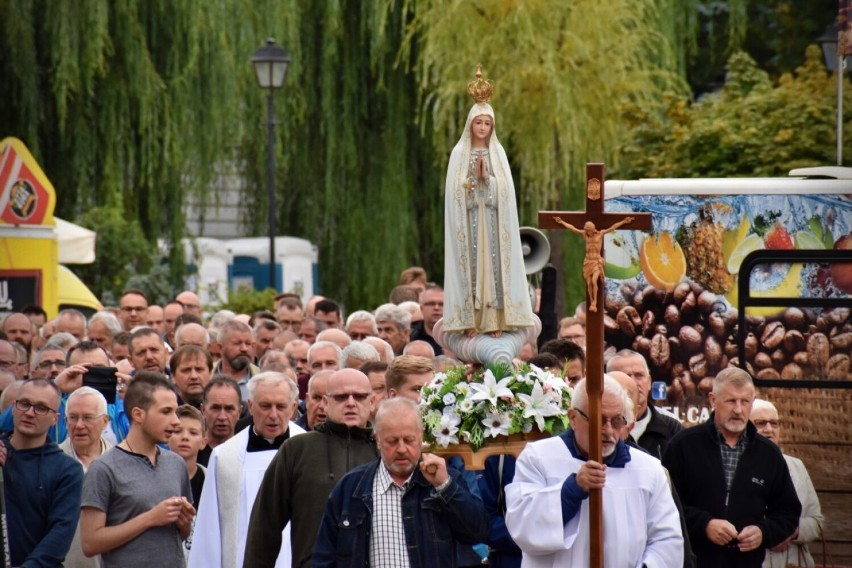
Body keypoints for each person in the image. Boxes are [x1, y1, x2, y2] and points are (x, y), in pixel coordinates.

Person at [505, 376, 684, 567]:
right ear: (573, 418)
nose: (607, 430)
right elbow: (522, 527)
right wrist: (572, 490)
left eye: (617, 421)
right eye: (598, 419)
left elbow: (667, 540)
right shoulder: (538, 457)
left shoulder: (648, 469)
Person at [313, 397, 489, 567]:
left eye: (409, 440)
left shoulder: (444, 480)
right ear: (378, 440)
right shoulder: (351, 487)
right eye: (392, 441)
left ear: (421, 437)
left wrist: (445, 486)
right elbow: (324, 557)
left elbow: (476, 533)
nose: (402, 449)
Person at [662, 368, 801, 568]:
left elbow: (788, 511)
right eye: (731, 401)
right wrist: (704, 525)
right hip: (690, 562)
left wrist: (763, 532)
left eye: (745, 402)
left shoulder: (769, 453)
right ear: (712, 400)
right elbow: (664, 504)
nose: (738, 409)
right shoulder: (683, 445)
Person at [243, 369, 379, 568]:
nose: (351, 403)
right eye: (341, 397)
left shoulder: (384, 449)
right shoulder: (297, 449)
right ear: (325, 402)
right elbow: (264, 528)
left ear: (372, 401)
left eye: (359, 396)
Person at [442, 68, 534, 336]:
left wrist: (489, 182)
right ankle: (471, 320)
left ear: (492, 126)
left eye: (487, 124)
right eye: (478, 123)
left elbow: (506, 191)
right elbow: (454, 194)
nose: (482, 128)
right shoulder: (459, 153)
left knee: (493, 264)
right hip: (470, 219)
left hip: (492, 219)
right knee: (472, 264)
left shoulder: (498, 152)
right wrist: (471, 185)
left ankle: (496, 320)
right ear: (470, 124)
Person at [80, 372, 195, 567]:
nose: (176, 421)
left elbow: (180, 536)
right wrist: (150, 518)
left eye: (175, 412)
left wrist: (184, 525)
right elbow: (90, 543)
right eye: (166, 411)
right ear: (138, 414)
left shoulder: (176, 464)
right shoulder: (104, 468)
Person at [190, 372, 304, 568]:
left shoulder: (307, 451)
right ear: (251, 406)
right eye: (265, 406)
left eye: (281, 406)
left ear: (293, 408)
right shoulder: (225, 456)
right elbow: (209, 529)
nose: (273, 415)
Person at [1, 379, 84, 567]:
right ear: (13, 408)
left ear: (55, 419)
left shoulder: (67, 470)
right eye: (24, 404)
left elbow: (59, 535)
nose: (30, 413)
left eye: (41, 408)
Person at [751, 399, 823, 568]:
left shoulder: (796, 466)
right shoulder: (737, 468)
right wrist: (769, 534)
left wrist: (790, 532)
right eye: (760, 423)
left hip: (794, 562)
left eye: (774, 423)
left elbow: (817, 522)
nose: (769, 429)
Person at [61, 387, 114, 568]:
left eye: (88, 417)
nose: (79, 425)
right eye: (73, 418)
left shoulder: (121, 462)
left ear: (105, 422)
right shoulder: (53, 461)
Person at [607, 349, 682, 458]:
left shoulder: (672, 427)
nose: (634, 383)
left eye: (639, 375)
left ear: (649, 382)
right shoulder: (598, 428)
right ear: (609, 383)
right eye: (626, 376)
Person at [551, 217, 634, 311]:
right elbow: (573, 229)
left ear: (592, 229)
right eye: (586, 231)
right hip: (588, 261)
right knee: (589, 282)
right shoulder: (585, 235)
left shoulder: (600, 234)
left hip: (596, 261)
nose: (587, 232)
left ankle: (595, 302)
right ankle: (592, 302)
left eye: (588, 230)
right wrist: (562, 222)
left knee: (594, 281)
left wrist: (623, 221)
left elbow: (612, 227)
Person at [197, 376, 243, 466]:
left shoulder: (249, 454)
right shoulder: (192, 453)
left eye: (229, 409)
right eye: (215, 408)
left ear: (239, 412)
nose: (222, 417)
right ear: (203, 410)